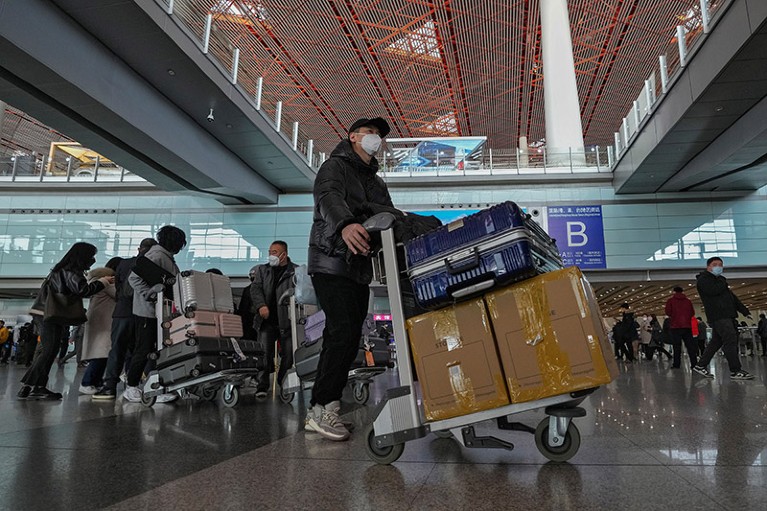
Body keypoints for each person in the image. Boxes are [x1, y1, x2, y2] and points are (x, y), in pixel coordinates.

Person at [305, 116, 393, 441]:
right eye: (369, 132)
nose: (375, 138)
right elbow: (328, 197)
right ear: (353, 136)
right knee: (341, 331)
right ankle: (323, 409)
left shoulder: (376, 181)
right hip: (330, 259)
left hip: (358, 267)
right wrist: (344, 223)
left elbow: (387, 214)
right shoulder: (335, 167)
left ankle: (322, 407)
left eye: (378, 135)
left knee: (348, 335)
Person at [17, 242, 113, 400]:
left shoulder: (61, 270)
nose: (93, 260)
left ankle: (30, 387)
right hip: (48, 314)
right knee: (48, 351)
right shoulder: (70, 271)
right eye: (91, 256)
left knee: (48, 351)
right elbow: (83, 290)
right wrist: (103, 282)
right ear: (82, 256)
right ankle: (35, 387)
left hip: (46, 313)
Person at [124, 226, 186, 403]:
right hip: (147, 313)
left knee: (156, 350)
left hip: (160, 314)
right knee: (143, 349)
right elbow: (134, 278)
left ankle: (155, 387)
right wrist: (149, 293)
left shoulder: (166, 257)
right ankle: (131, 386)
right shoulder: (157, 256)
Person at [93, 238, 157, 400]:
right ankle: (135, 385)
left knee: (117, 349)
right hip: (143, 313)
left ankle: (110, 387)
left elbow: (120, 289)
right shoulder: (152, 264)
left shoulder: (123, 264)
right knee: (142, 350)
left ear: (139, 248)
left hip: (122, 312)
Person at [692, 257, 754, 380]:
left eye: (721, 264)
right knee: (730, 340)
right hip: (719, 316)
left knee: (716, 342)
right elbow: (713, 291)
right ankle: (735, 370)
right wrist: (722, 281)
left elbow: (732, 298)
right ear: (708, 267)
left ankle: (700, 365)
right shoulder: (704, 280)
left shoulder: (720, 281)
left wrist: (744, 311)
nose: (718, 267)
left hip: (727, 315)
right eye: (715, 264)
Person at [250, 241, 297, 398]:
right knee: (264, 354)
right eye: (270, 251)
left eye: (275, 252)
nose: (271, 255)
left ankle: (283, 383)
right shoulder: (263, 270)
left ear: (284, 254)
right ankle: (262, 385)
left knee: (289, 354)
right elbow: (255, 289)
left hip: (288, 321)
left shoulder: (295, 271)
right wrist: (261, 305)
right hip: (266, 321)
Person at [78, 257, 121, 394]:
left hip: (100, 320)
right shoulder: (107, 282)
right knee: (100, 354)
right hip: (103, 322)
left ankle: (95, 382)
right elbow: (119, 295)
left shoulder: (98, 280)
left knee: (103, 354)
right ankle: (87, 382)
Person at [664, 286, 697, 369]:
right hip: (687, 326)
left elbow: (668, 312)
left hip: (675, 326)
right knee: (690, 346)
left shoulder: (670, 301)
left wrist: (674, 316)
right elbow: (692, 313)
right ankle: (694, 364)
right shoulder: (688, 301)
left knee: (676, 347)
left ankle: (677, 364)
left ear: (674, 291)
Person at [236, 266, 259, 342]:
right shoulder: (249, 290)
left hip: (248, 326)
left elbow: (242, 311)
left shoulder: (248, 289)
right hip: (252, 325)